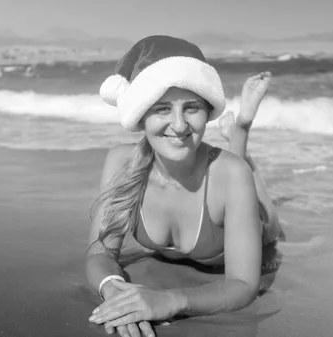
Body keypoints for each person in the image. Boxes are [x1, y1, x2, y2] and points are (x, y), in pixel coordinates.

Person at [85, 35, 284, 337]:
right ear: (139, 115)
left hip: (251, 214)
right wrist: (114, 292)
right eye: (162, 109)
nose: (179, 126)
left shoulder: (232, 175)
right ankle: (238, 134)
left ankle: (241, 128)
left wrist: (170, 300)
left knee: (252, 189)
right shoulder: (121, 163)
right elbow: (99, 254)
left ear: (207, 111)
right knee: (232, 167)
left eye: (191, 108)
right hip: (221, 175)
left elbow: (243, 286)